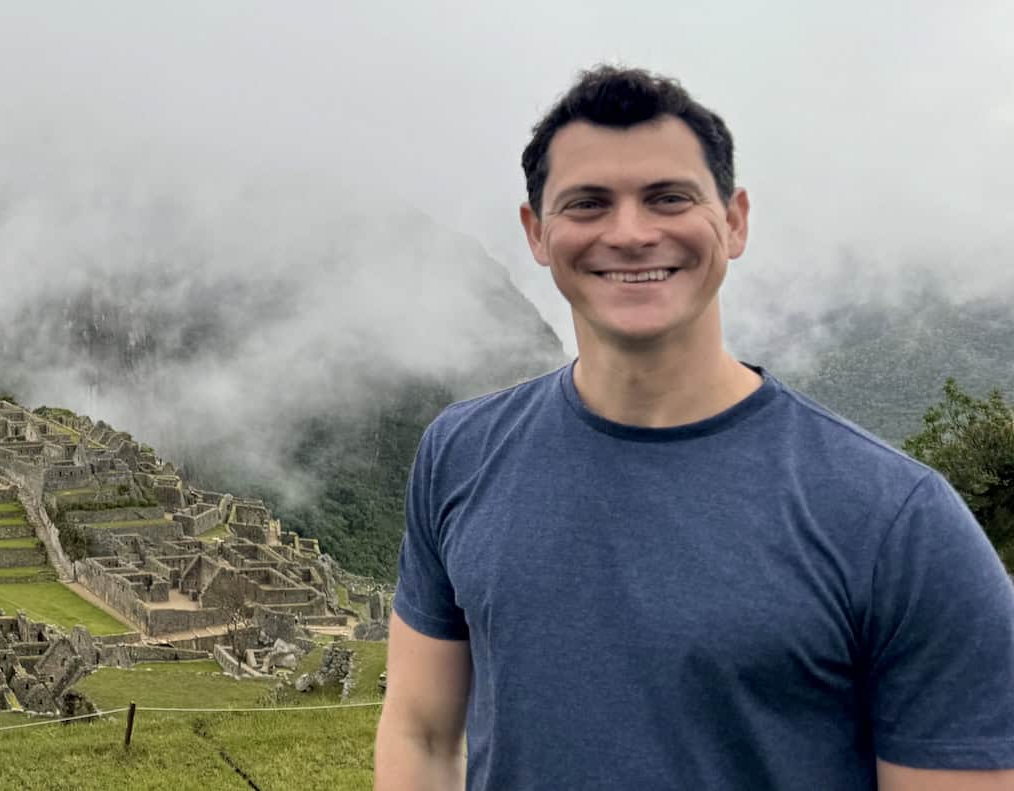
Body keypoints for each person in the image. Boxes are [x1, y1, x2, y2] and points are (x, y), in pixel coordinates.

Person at [374, 64, 1014, 790]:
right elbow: (420, 732)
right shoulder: (460, 455)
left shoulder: (898, 521)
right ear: (537, 233)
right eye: (587, 203)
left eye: (668, 197)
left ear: (734, 220)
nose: (631, 232)